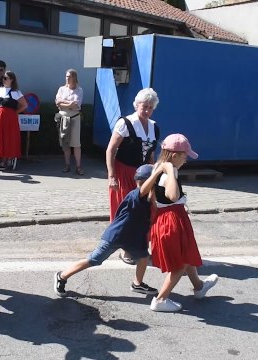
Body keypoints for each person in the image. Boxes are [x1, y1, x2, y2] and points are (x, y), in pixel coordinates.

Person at [53, 164, 161, 298]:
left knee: (143, 258)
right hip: (116, 235)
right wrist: (157, 173)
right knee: (94, 259)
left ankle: (137, 284)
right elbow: (144, 191)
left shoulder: (148, 198)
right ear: (149, 182)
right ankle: (62, 276)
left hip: (134, 238)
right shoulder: (136, 195)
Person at [149, 134, 218, 312]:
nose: (186, 160)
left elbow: (152, 196)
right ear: (174, 155)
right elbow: (173, 196)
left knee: (187, 255)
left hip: (165, 218)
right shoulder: (169, 171)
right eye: (184, 156)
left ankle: (199, 287)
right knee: (180, 264)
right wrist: (172, 172)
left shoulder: (157, 167)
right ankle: (161, 300)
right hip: (172, 220)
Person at [106, 88, 161, 264]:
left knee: (146, 212)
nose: (147, 110)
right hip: (124, 172)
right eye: (144, 106)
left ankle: (141, 248)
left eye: (150, 107)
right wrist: (112, 176)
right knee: (127, 212)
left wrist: (154, 176)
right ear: (136, 105)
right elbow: (111, 150)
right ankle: (126, 250)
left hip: (144, 175)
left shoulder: (154, 127)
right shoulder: (125, 123)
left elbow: (151, 155)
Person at [0, 70, 27, 170]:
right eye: (3, 78)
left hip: (9, 119)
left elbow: (24, 105)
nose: (3, 80)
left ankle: (5, 159)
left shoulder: (16, 92)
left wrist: (14, 113)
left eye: (5, 78)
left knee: (7, 138)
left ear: (11, 80)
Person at [55, 69, 84, 175]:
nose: (67, 78)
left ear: (74, 77)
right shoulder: (62, 89)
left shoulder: (79, 90)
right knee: (65, 143)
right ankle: (67, 165)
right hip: (63, 119)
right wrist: (68, 104)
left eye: (69, 76)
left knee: (76, 144)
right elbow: (58, 103)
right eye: (66, 76)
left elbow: (76, 105)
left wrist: (63, 103)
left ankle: (78, 166)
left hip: (75, 118)